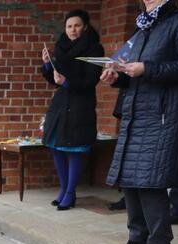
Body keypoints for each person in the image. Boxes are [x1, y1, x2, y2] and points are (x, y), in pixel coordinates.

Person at [102, 0, 178, 244]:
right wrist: (117, 77)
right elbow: (132, 69)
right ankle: (137, 238)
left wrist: (148, 69)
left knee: (149, 181)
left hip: (163, 114)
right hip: (137, 112)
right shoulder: (145, 25)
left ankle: (159, 243)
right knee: (130, 179)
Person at [41, 10, 104, 210]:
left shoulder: (94, 49)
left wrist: (67, 82)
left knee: (74, 150)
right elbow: (55, 81)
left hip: (80, 105)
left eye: (77, 25)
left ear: (85, 26)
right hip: (61, 104)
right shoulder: (61, 47)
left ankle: (70, 192)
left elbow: (90, 81)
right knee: (58, 149)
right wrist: (47, 66)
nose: (73, 30)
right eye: (69, 26)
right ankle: (63, 190)